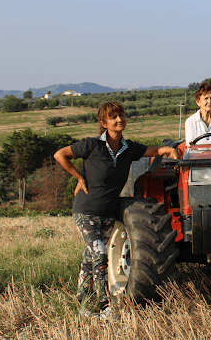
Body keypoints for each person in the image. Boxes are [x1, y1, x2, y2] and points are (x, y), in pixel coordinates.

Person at [53, 101, 180, 318]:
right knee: (100, 255)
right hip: (86, 211)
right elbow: (60, 155)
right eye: (113, 117)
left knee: (90, 258)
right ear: (104, 123)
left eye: (121, 115)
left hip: (108, 213)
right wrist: (79, 176)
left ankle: (83, 302)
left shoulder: (128, 148)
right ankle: (103, 305)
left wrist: (168, 149)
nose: (119, 119)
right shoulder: (91, 145)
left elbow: (153, 150)